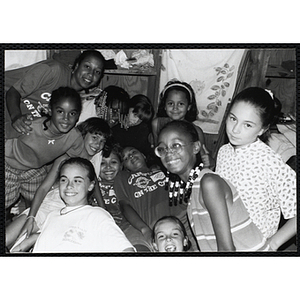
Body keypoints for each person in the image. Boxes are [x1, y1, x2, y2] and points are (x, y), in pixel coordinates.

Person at [156, 120, 270, 251]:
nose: (168, 152)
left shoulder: (209, 183)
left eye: (176, 145)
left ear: (196, 147)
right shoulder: (195, 189)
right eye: (162, 149)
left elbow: (227, 249)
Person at [6, 117, 111, 251]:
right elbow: (44, 188)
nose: (98, 144)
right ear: (83, 134)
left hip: (71, 213)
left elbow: (95, 187)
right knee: (10, 236)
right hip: (49, 204)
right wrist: (31, 216)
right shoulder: (66, 158)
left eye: (102, 141)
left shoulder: (94, 162)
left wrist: (105, 215)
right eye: (95, 137)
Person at [215, 87, 296, 250]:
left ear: (262, 129)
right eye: (233, 119)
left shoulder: (270, 162)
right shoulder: (224, 152)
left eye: (248, 125)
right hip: (224, 241)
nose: (235, 129)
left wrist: (272, 244)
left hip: (255, 245)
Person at [5, 87, 85, 211]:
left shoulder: (74, 138)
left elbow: (81, 166)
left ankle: (27, 222)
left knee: (43, 205)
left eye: (72, 113)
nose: (66, 118)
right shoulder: (29, 125)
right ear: (49, 110)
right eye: (60, 111)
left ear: (78, 116)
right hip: (9, 165)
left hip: (34, 170)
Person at [31, 157, 135, 253]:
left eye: (77, 181)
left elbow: (125, 249)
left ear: (90, 185)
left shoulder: (96, 215)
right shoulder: (52, 216)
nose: (69, 186)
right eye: (64, 180)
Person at [5, 49, 105, 138]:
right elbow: (13, 92)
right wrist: (16, 116)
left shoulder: (73, 100)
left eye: (97, 72)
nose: (91, 74)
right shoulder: (54, 71)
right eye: (87, 66)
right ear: (77, 65)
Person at [113, 146, 197, 251]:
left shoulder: (162, 168)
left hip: (184, 217)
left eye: (133, 152)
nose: (131, 157)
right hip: (155, 225)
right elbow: (124, 205)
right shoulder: (123, 177)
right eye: (125, 158)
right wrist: (145, 230)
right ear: (124, 165)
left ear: (143, 155)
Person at [98, 142, 153, 252]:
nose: (108, 167)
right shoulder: (92, 185)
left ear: (121, 165)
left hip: (127, 227)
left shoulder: (129, 182)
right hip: (99, 229)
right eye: (102, 163)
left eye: (113, 162)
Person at [151, 79, 213, 169]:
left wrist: (209, 161)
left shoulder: (196, 131)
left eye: (180, 104)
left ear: (189, 107)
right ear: (164, 106)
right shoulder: (157, 124)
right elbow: (158, 151)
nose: (175, 108)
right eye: (170, 103)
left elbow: (203, 158)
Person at [112, 94, 154, 159]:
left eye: (140, 119)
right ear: (128, 108)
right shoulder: (115, 119)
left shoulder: (144, 129)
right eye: (135, 115)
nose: (136, 121)